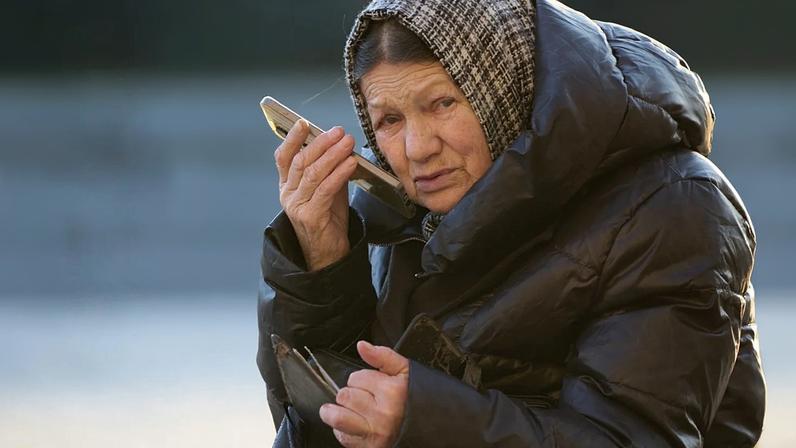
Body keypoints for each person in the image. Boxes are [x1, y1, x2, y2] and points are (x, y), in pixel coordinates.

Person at [256, 0, 766, 446]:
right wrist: (320, 261)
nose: (417, 148)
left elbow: (634, 436)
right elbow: (314, 421)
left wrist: (425, 421)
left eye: (442, 104)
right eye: (389, 120)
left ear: (503, 89)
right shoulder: (399, 215)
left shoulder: (673, 207)